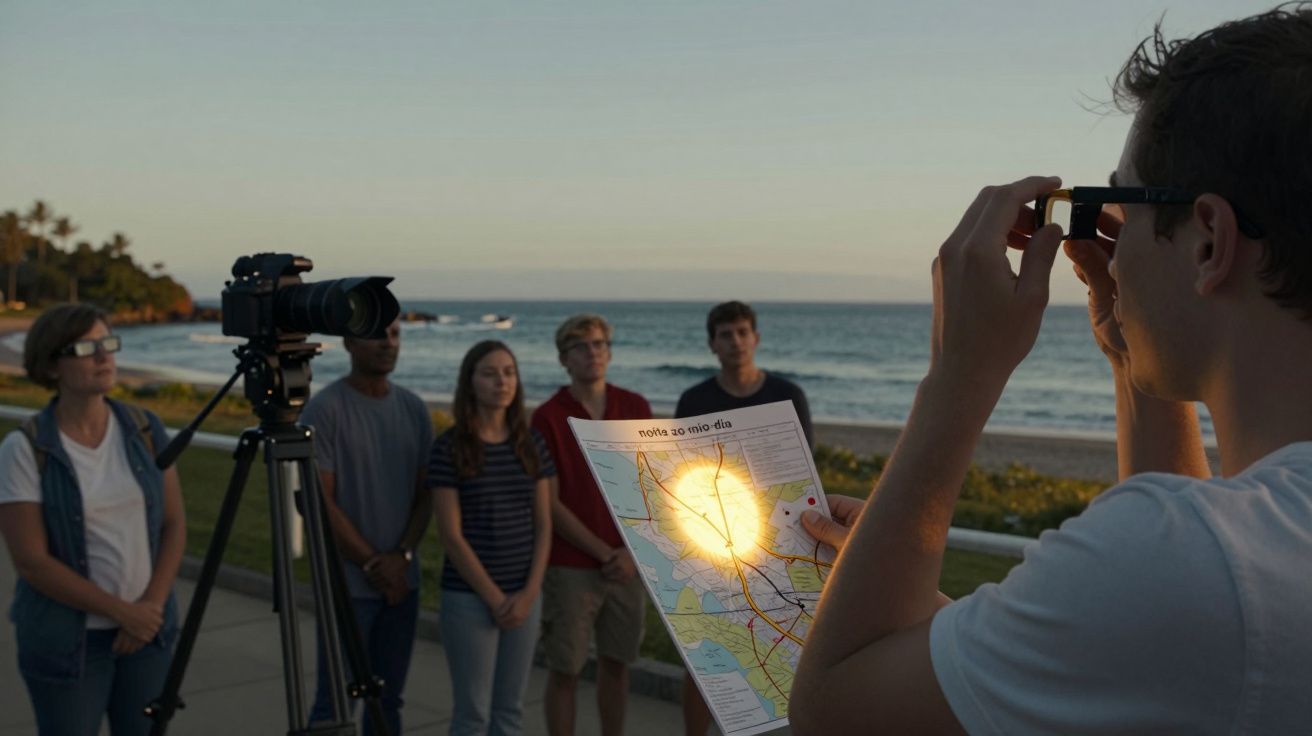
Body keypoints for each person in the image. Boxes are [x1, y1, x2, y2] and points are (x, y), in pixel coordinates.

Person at [790, 6, 1312, 734]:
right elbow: (1172, 631)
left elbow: (835, 705)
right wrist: (1130, 355)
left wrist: (960, 374)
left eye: (1118, 208)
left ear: (1207, 243)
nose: (1113, 250)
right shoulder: (1232, 564)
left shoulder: (1197, 568)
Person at [0, 304, 185, 735]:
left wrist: (150, 610)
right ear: (51, 365)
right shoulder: (26, 448)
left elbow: (174, 525)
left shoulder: (144, 428)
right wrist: (123, 613)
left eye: (107, 344)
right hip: (68, 643)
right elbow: (32, 562)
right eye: (86, 347)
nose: (103, 357)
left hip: (148, 636)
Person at [676, 299, 814, 734]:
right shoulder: (694, 400)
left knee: (776, 649)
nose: (735, 341)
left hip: (774, 545)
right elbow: (682, 476)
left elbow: (801, 472)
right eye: (725, 334)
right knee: (703, 657)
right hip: (711, 545)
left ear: (755, 338)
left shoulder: (787, 396)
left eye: (741, 332)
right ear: (712, 344)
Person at [304, 318, 433, 735]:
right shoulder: (325, 409)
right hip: (348, 590)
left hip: (402, 588)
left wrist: (403, 557)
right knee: (334, 702)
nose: (388, 343)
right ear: (348, 342)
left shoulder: (414, 409)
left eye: (395, 334)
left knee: (388, 702)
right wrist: (375, 565)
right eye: (377, 334)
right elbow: (320, 503)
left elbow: (425, 496)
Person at [530, 314, 653, 736]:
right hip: (571, 567)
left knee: (618, 666)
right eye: (581, 346)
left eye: (600, 344)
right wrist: (605, 553)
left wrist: (631, 554)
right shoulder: (547, 417)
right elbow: (550, 502)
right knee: (566, 670)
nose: (593, 353)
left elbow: (648, 488)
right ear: (564, 359)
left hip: (629, 563)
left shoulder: (635, 408)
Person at [430, 340, 554, 736]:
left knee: (509, 713)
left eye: (508, 372)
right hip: (470, 599)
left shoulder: (531, 445)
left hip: (525, 597)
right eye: (489, 373)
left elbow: (544, 526)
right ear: (470, 383)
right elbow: (450, 535)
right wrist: (496, 599)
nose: (501, 381)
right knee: (473, 715)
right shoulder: (450, 448)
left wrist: (529, 593)